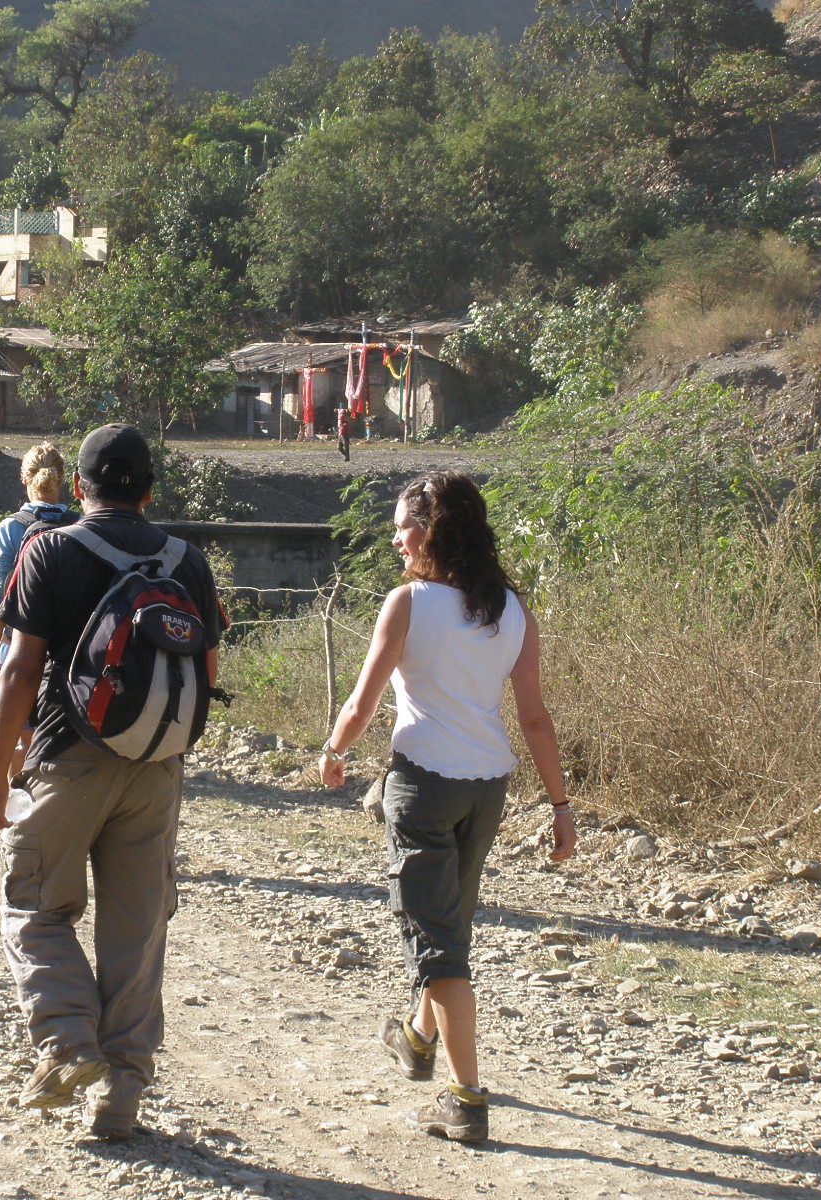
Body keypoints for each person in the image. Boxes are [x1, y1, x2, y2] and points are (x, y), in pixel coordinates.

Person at [0, 423, 227, 1141]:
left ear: (79, 489)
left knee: (33, 903)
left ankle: (68, 1043)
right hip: (157, 769)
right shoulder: (189, 561)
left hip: (67, 756)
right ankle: (120, 1094)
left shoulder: (49, 549)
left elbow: (20, 670)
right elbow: (205, 672)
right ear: (149, 490)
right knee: (137, 929)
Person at [317, 470, 576, 1145]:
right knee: (449, 926)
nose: (396, 538)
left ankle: (465, 1100)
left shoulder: (409, 603)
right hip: (487, 788)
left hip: (425, 789)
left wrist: (334, 752)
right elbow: (536, 719)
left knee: (438, 952)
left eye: (404, 526)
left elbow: (362, 702)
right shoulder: (511, 609)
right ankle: (414, 1038)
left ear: (432, 531)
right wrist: (560, 804)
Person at [0, 442, 75, 784]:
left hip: (18, 641)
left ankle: (18, 804)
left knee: (19, 731)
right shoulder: (79, 524)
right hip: (69, 646)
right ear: (63, 479)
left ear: (25, 479)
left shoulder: (12, 526)